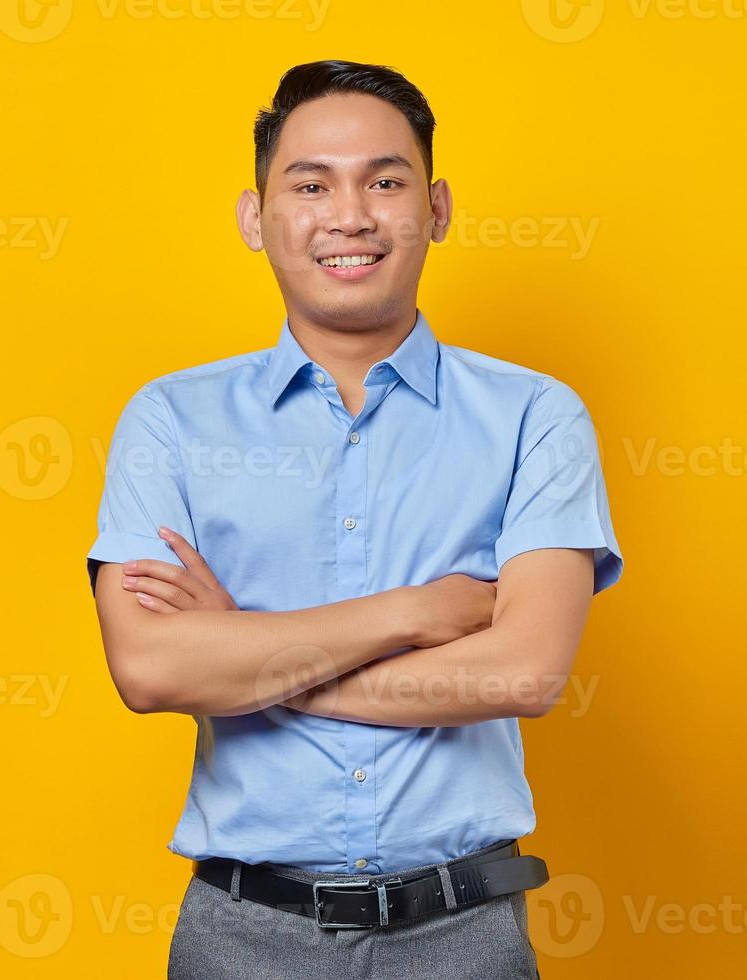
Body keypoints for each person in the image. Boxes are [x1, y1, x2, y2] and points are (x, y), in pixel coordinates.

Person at [87, 59, 623, 979]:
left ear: (438, 207)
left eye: (385, 180)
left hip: (465, 933)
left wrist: (249, 658)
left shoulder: (536, 414)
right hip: (242, 936)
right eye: (310, 184)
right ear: (257, 219)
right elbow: (148, 667)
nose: (350, 215)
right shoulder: (171, 419)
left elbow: (524, 671)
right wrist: (412, 614)